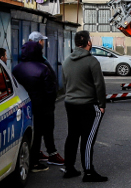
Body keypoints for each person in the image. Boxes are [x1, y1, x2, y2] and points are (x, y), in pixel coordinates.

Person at [62, 30, 108, 182]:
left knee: (72, 135)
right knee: (88, 139)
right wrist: (101, 105)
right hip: (88, 104)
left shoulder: (67, 61)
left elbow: (65, 83)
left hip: (70, 103)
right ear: (88, 42)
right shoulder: (92, 61)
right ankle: (88, 172)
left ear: (76, 43)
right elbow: (99, 85)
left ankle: (69, 168)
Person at [12, 40, 64, 173]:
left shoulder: (16, 69)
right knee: (41, 132)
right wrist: (50, 104)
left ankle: (32, 157)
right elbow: (50, 90)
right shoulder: (43, 68)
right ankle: (36, 161)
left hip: (23, 106)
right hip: (42, 106)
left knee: (28, 133)